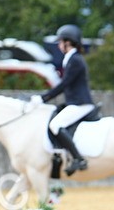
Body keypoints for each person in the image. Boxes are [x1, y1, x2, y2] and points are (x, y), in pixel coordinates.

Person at [33, 24, 94, 175]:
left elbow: (64, 84)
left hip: (81, 103)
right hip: (75, 102)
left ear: (68, 42)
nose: (59, 45)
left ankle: (79, 159)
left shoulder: (75, 60)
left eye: (60, 42)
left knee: (55, 125)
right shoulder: (71, 58)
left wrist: (44, 98)